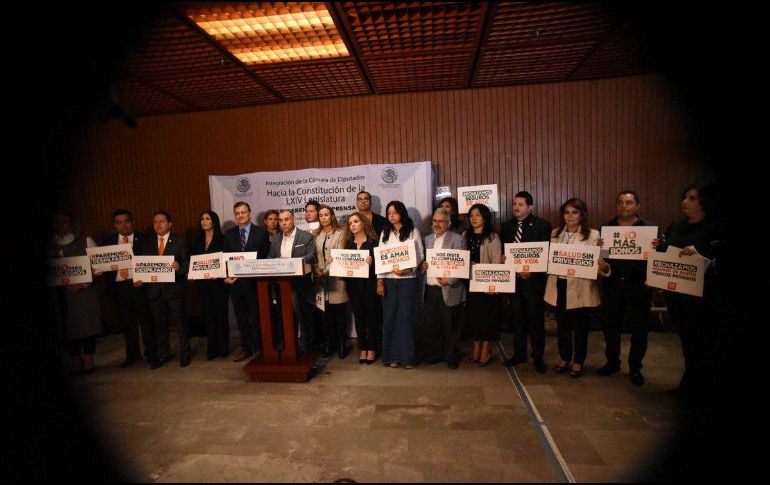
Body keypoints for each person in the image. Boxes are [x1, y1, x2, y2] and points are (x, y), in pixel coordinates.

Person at [654, 184, 722, 409]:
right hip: (679, 296)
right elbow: (669, 254)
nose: (685, 202)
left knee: (704, 344)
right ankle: (689, 384)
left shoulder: (715, 229)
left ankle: (702, 389)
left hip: (704, 298)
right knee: (687, 343)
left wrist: (700, 254)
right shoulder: (677, 226)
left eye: (691, 198)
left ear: (704, 202)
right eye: (684, 197)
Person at [598, 190, 658, 385]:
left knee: (639, 329)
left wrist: (659, 247)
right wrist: (600, 251)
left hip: (639, 286)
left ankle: (635, 367)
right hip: (613, 285)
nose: (624, 206)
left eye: (629, 202)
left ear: (637, 206)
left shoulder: (650, 229)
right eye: (621, 202)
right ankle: (612, 362)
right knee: (610, 327)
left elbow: (658, 258)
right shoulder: (607, 227)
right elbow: (604, 256)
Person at [544, 198, 609, 378]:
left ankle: (578, 361)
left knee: (580, 327)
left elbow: (599, 263)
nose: (570, 216)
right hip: (560, 285)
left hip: (581, 287)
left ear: (582, 215)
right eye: (566, 212)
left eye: (574, 212)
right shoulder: (556, 233)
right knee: (562, 326)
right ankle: (565, 358)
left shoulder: (594, 235)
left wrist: (602, 266)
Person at [500, 191, 552, 373]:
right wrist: (503, 259)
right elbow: (505, 253)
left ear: (530, 207)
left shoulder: (542, 226)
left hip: (534, 283)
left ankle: (538, 357)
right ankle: (519, 354)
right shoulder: (506, 226)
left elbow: (544, 255)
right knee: (518, 321)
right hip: (513, 283)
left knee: (536, 322)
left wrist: (532, 272)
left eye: (520, 204)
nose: (516, 207)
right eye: (514, 204)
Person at [135, 211, 192, 368]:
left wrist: (180, 267)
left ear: (170, 224)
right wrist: (139, 278)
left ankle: (185, 354)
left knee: (181, 324)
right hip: (154, 291)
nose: (158, 224)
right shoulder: (147, 243)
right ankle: (164, 353)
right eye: (155, 222)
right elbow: (143, 265)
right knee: (160, 326)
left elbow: (188, 262)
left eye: (161, 221)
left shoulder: (180, 241)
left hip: (174, 290)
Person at [100, 209, 155, 368]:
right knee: (127, 323)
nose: (123, 225)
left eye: (126, 221)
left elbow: (150, 263)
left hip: (140, 287)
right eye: (119, 222)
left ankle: (151, 354)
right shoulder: (108, 242)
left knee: (146, 322)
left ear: (132, 222)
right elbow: (102, 265)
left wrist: (143, 278)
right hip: (119, 288)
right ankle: (132, 355)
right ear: (114, 225)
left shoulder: (145, 239)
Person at [50, 211, 101, 374]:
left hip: (84, 291)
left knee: (86, 323)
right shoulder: (49, 244)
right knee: (65, 323)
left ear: (72, 223)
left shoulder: (86, 241)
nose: (61, 225)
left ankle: (88, 356)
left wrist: (82, 284)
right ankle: (73, 356)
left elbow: (98, 267)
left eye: (64, 221)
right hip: (60, 293)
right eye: (57, 222)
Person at [419, 208, 467, 369]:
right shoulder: (426, 240)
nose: (437, 224)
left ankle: (451, 357)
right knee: (432, 326)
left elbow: (462, 266)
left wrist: (449, 280)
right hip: (430, 289)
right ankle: (435, 354)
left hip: (450, 290)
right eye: (434, 221)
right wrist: (423, 266)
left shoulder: (458, 240)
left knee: (450, 327)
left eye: (440, 221)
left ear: (449, 223)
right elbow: (422, 264)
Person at [377, 201, 424, 369]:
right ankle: (392, 356)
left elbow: (419, 255)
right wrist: (380, 281)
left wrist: (407, 269)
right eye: (389, 213)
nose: (391, 215)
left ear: (402, 213)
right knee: (390, 318)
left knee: (406, 318)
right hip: (389, 280)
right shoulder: (385, 233)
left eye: (395, 212)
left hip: (408, 280)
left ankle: (408, 357)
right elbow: (380, 258)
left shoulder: (413, 231)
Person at [223, 202, 270, 363]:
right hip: (236, 285)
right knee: (241, 318)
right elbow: (225, 260)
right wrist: (225, 276)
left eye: (243, 212)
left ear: (249, 213)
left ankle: (260, 348)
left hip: (256, 285)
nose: (240, 215)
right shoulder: (229, 235)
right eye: (237, 213)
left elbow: (266, 258)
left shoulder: (261, 233)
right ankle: (246, 348)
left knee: (257, 317)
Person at [269, 210, 318, 352]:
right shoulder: (276, 238)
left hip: (299, 284)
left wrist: (292, 262)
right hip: (280, 284)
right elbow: (270, 257)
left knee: (301, 314)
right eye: (280, 220)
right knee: (284, 315)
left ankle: (305, 345)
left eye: (286, 219)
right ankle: (287, 344)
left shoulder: (305, 236)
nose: (283, 223)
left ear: (293, 220)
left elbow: (311, 255)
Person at [464, 203, 502, 367]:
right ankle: (476, 345)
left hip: (486, 284)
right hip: (468, 283)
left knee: (487, 316)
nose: (474, 218)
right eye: (471, 215)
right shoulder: (464, 235)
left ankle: (486, 347)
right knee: (473, 316)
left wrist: (492, 284)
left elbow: (496, 263)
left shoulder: (493, 237)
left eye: (477, 215)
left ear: (485, 217)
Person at [341, 212, 380, 364]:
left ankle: (372, 348)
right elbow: (344, 268)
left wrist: (373, 263)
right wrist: (335, 262)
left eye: (356, 221)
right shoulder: (348, 245)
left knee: (372, 318)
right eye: (350, 223)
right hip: (353, 288)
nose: (353, 225)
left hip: (369, 287)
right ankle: (362, 348)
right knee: (359, 318)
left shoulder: (374, 243)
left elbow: (381, 267)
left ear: (363, 223)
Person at [312, 205, 349, 358]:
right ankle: (329, 343)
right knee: (325, 315)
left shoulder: (341, 233)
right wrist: (317, 272)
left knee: (339, 314)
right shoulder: (316, 235)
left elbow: (339, 255)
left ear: (332, 216)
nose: (324, 218)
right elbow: (313, 256)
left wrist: (324, 272)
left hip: (337, 279)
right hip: (321, 280)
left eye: (326, 215)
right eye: (321, 215)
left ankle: (341, 344)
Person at [193, 210, 229, 360]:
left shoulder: (222, 239)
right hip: (203, 285)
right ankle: (212, 348)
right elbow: (194, 262)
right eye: (202, 219)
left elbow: (226, 261)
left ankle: (223, 348)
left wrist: (219, 273)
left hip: (219, 284)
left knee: (221, 316)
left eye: (207, 218)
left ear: (213, 221)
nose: (204, 221)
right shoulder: (197, 242)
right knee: (208, 316)